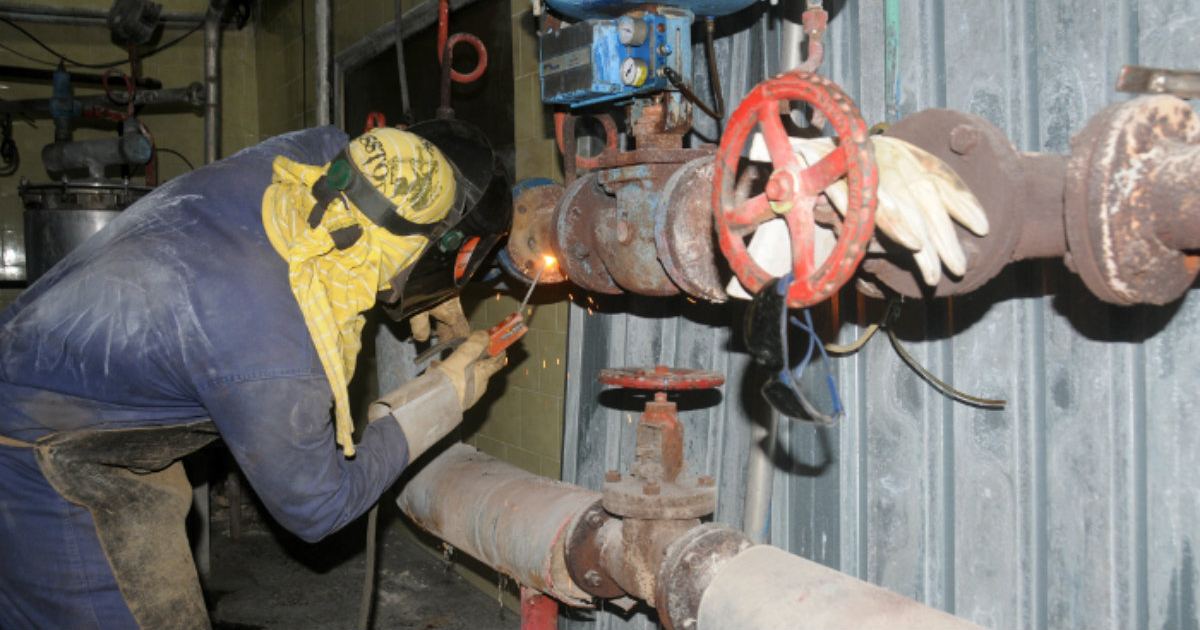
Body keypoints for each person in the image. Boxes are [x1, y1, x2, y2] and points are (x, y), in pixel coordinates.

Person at [0, 120, 511, 630]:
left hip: (40, 365)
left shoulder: (313, 156)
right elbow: (318, 508)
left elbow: (387, 176)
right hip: (45, 462)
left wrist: (432, 281)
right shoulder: (274, 345)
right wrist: (440, 398)